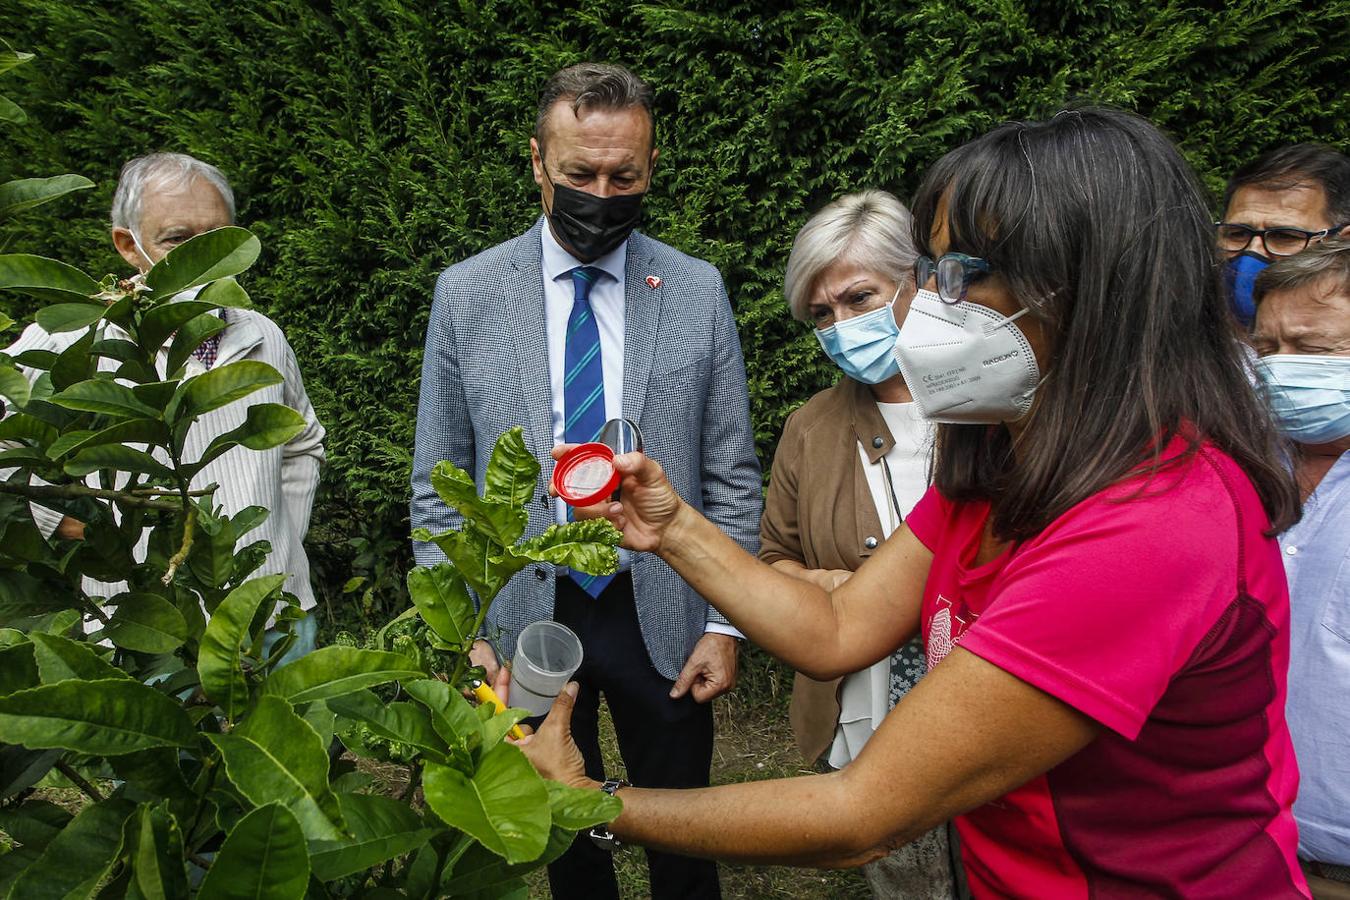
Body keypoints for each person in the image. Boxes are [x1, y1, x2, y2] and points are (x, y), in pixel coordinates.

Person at [518, 108, 1313, 898]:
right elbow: (836, 630)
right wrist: (673, 528)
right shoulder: (1005, 468)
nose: (933, 305)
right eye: (935, 272)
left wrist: (587, 803)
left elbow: (861, 815)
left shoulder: (1149, 528)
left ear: (1093, 287)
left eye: (969, 273)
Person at [411, 63, 761, 900]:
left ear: (650, 168)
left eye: (624, 177)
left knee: (686, 840)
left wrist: (726, 622)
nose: (601, 194)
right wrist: (460, 623)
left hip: (665, 612)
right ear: (536, 161)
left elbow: (732, 472)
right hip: (525, 608)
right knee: (566, 841)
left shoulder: (696, 289)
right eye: (578, 174)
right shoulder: (465, 295)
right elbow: (437, 481)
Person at [3, 152, 325, 651]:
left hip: (274, 614)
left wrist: (279, 540)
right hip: (142, 624)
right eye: (177, 239)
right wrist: (59, 517)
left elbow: (303, 443)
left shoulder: (262, 334)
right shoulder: (74, 338)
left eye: (216, 238)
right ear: (128, 246)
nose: (201, 257)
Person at [762, 189, 956, 898]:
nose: (841, 326)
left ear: (922, 282)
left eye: (858, 298)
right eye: (821, 314)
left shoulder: (990, 408)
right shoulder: (809, 429)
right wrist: (835, 589)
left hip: (984, 703)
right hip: (862, 706)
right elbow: (773, 558)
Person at [1251, 240, 1350, 899]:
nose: (1282, 368)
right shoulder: (1240, 469)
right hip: (1245, 850)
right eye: (1267, 349)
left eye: (1312, 350)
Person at [1219, 143, 1350, 328]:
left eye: (1284, 236)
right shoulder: (1182, 338)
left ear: (1344, 242)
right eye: (1237, 233)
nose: (1252, 252)